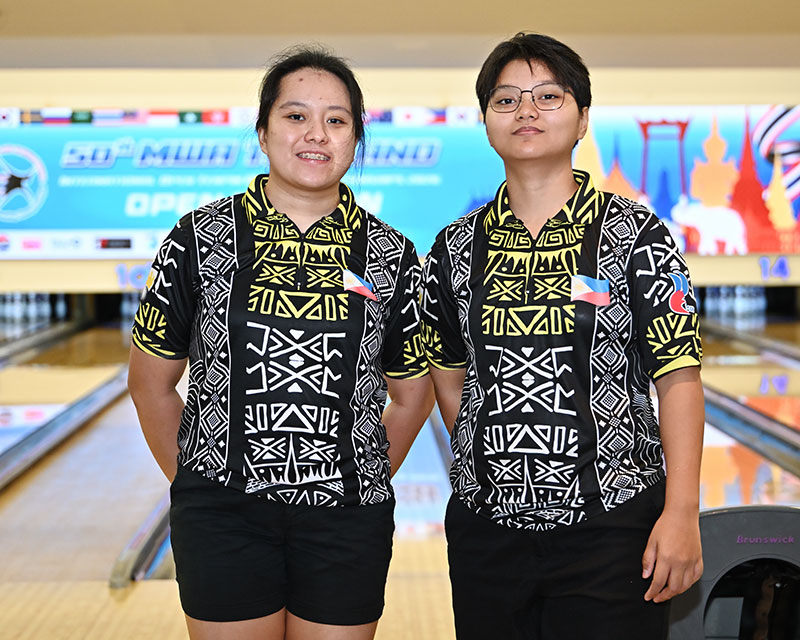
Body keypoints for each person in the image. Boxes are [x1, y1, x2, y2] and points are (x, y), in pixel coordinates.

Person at [128, 46, 434, 640]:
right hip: (222, 515)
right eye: (296, 116)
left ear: (355, 138)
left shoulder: (391, 254)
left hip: (347, 518)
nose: (316, 133)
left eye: (336, 120)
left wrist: (360, 476)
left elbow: (412, 394)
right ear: (264, 132)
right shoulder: (200, 238)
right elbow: (150, 384)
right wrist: (197, 483)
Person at [420, 32, 704, 640]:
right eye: (506, 100)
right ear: (487, 123)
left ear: (582, 119)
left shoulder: (635, 234)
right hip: (486, 533)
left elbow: (679, 375)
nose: (526, 110)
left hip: (613, 528)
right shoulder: (455, 247)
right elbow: (447, 369)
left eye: (548, 96)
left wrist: (682, 512)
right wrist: (482, 455)